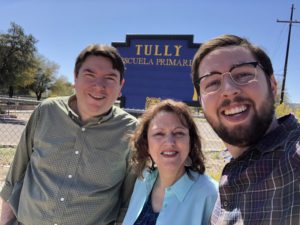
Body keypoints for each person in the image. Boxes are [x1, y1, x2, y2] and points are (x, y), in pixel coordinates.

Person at [0, 44, 138, 225]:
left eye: (110, 78)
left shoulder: (131, 131)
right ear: (75, 78)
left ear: (121, 86)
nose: (99, 86)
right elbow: (16, 177)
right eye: (90, 75)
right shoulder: (46, 111)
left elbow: (128, 201)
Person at [191, 34, 300, 224]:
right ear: (201, 101)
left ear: (273, 86)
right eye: (212, 82)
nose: (228, 89)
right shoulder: (225, 184)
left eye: (243, 74)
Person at [122, 99, 218, 225]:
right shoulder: (143, 180)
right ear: (146, 143)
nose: (169, 142)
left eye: (178, 133)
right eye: (159, 134)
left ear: (190, 141)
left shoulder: (212, 195)